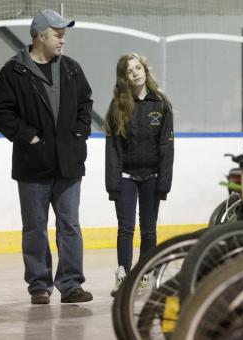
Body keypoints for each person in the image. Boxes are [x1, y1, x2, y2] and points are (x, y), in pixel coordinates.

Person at [0, 9, 93, 304]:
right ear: (40, 36)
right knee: (35, 226)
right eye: (57, 35)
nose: (63, 40)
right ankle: (39, 285)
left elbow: (86, 104)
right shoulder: (14, 71)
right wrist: (28, 137)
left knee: (69, 225)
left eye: (63, 35)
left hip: (69, 162)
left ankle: (71, 284)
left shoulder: (71, 68)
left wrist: (79, 133)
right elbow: (0, 111)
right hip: (32, 163)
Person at [105, 53, 174, 296]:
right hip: (125, 177)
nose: (135, 73)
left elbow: (167, 147)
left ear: (145, 69)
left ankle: (144, 274)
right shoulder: (118, 106)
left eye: (138, 67)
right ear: (124, 77)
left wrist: (163, 183)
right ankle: (123, 274)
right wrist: (113, 184)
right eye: (129, 70)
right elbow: (112, 149)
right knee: (125, 228)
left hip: (152, 177)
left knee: (149, 230)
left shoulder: (161, 104)